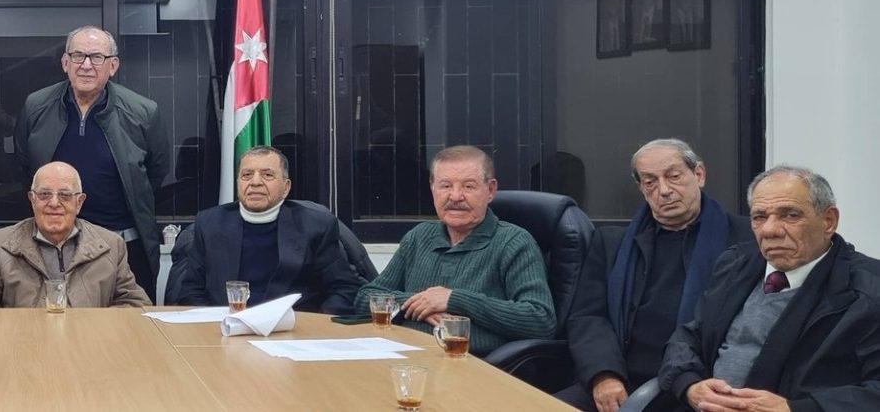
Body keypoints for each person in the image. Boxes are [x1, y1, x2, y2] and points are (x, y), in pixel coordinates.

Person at [659, 166, 880, 411]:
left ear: (828, 221)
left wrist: (796, 409)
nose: (770, 230)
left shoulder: (869, 289)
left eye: (790, 215)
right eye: (759, 217)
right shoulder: (734, 266)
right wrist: (689, 385)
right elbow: (688, 337)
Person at [559, 139, 752, 412]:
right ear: (641, 188)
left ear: (699, 174)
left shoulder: (746, 241)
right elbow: (588, 317)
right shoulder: (612, 244)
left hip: (697, 386)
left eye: (674, 176)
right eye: (650, 182)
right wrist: (603, 374)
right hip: (619, 380)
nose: (664, 190)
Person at [14, 25, 170, 301]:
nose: (86, 65)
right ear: (65, 62)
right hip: (53, 245)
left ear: (113, 66)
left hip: (123, 244)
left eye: (97, 57)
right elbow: (25, 167)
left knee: (130, 323)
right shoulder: (35, 107)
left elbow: (156, 172)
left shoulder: (143, 112)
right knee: (54, 322)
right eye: (78, 56)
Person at [353, 145, 554, 356]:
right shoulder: (419, 237)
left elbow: (540, 319)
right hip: (404, 357)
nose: (455, 196)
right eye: (445, 185)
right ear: (432, 188)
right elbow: (365, 298)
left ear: (490, 190)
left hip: (472, 364)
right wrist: (420, 304)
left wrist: (453, 300)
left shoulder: (514, 243)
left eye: (468, 186)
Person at [174, 146, 363, 314]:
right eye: (247, 175)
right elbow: (190, 290)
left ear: (285, 188)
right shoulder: (210, 224)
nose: (255, 182)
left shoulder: (315, 226)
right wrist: (215, 325)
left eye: (267, 175)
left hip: (292, 332)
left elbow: (343, 289)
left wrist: (311, 327)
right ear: (238, 183)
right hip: (225, 329)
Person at [0, 162, 150, 308]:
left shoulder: (111, 245)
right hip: (24, 342)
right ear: (32, 200)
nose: (54, 203)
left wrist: (96, 329)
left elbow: (135, 303)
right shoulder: (1, 244)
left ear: (79, 202)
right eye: (44, 194)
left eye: (65, 195)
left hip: (89, 343)